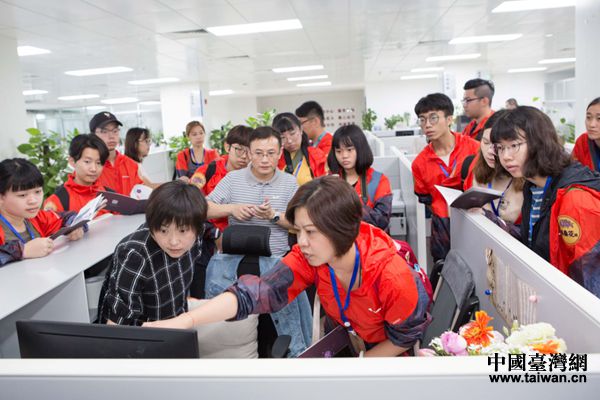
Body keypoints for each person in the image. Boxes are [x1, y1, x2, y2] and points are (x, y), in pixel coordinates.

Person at [145, 176, 431, 357]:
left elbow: (404, 338)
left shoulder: (391, 275)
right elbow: (256, 293)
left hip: (389, 353)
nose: (301, 242)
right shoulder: (311, 257)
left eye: (311, 232)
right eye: (299, 230)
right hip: (347, 340)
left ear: (342, 229)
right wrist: (186, 321)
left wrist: (358, 370)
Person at [491, 106, 600, 298]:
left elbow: (589, 281)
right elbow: (542, 242)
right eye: (500, 148)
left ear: (540, 142)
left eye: (514, 145)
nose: (506, 156)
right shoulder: (532, 186)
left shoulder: (574, 198)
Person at [97, 180, 208, 325]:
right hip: (143, 333)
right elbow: (117, 324)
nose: (174, 241)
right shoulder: (135, 255)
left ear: (198, 228)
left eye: (182, 230)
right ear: (151, 226)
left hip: (176, 320)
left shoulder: (196, 235)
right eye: (163, 231)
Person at [206, 127, 298, 257]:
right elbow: (203, 209)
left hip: (276, 260)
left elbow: (299, 223)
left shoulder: (290, 182)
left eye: (271, 153)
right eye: (258, 153)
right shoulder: (233, 179)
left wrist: (273, 215)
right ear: (249, 153)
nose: (265, 160)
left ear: (280, 153)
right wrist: (232, 209)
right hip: (237, 259)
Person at [412, 93, 479, 261]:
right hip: (441, 227)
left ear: (449, 119)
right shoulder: (419, 163)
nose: (427, 125)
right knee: (444, 269)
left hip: (475, 221)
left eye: (433, 118)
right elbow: (425, 199)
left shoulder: (474, 149)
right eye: (422, 119)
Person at [0, 158, 85, 266]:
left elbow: (66, 217)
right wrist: (23, 251)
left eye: (37, 192)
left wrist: (74, 226)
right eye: (22, 195)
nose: (33, 201)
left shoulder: (36, 218)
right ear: (1, 197)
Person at [463, 111, 525, 225]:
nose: (490, 151)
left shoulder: (531, 180)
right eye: (486, 142)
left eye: (498, 146)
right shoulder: (472, 167)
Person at [327, 124, 392, 231]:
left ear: (360, 149)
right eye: (339, 151)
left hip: (371, 240)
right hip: (340, 239)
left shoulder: (379, 180)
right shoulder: (330, 180)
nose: (344, 156)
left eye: (349, 150)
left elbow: (381, 221)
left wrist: (347, 204)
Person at [44, 134, 113, 214]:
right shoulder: (57, 200)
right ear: (72, 161)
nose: (94, 169)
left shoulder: (111, 196)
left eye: (98, 163)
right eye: (87, 162)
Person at [90, 111, 145, 196]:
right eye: (104, 131)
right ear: (93, 135)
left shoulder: (131, 164)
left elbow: (140, 194)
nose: (111, 136)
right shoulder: (89, 167)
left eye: (115, 131)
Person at [273, 112, 326, 185]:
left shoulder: (316, 155)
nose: (289, 141)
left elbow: (324, 184)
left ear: (301, 130)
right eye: (282, 137)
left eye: (292, 133)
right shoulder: (274, 159)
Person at [572, 97, 600, 172]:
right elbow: (572, 172)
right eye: (588, 117)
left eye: (599, 118)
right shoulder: (582, 141)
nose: (591, 124)